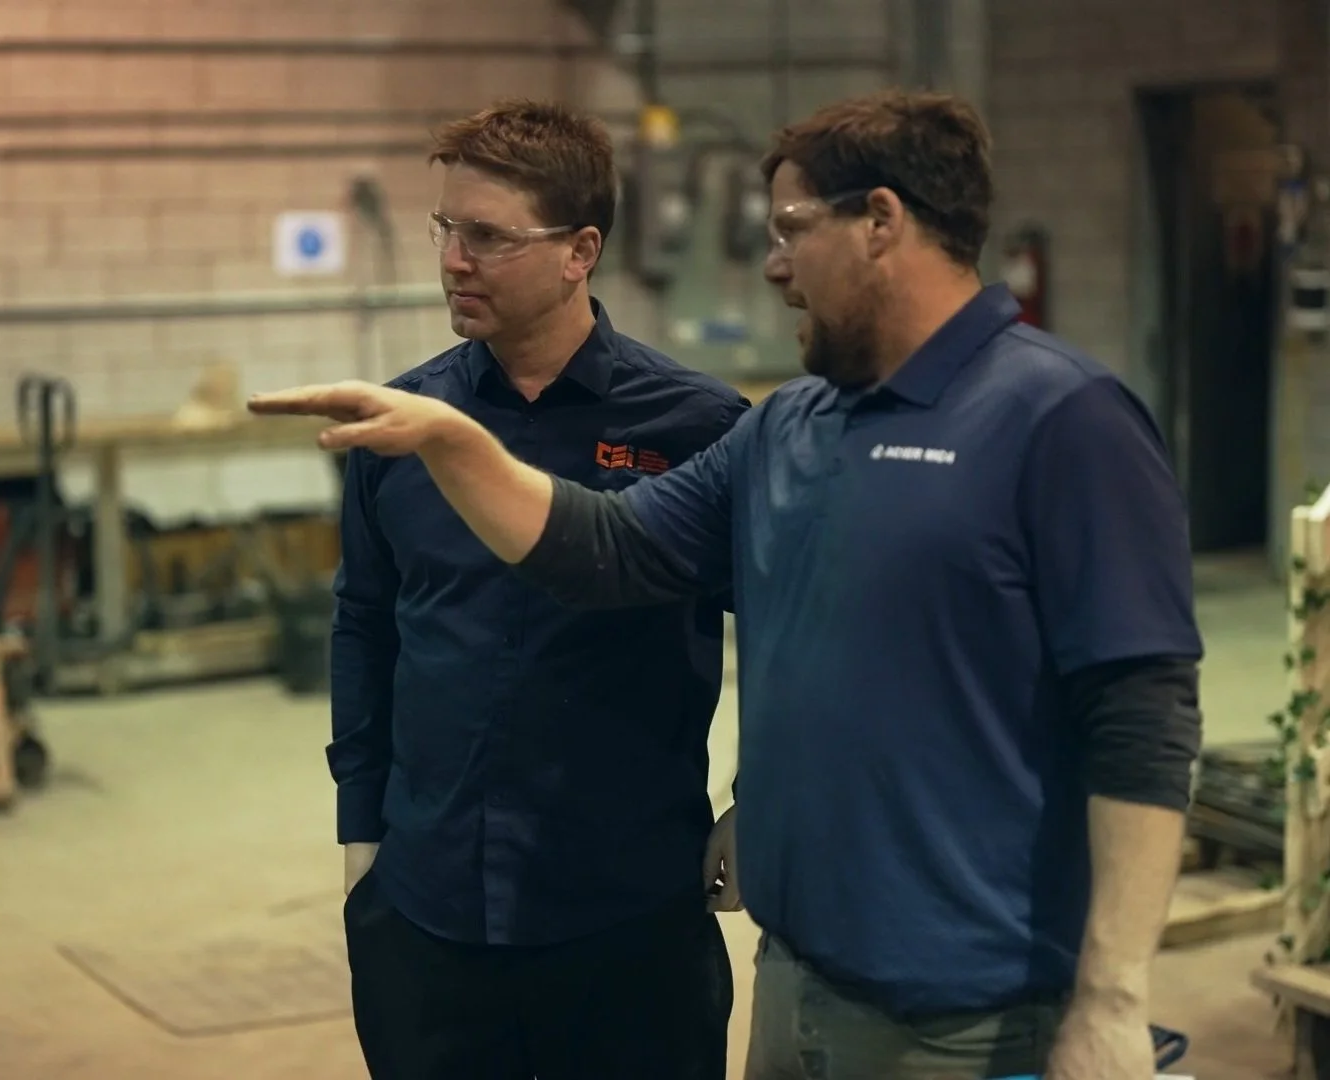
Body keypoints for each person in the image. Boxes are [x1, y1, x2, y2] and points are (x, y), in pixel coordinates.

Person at [251, 90, 1203, 1080]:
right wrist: (452, 440)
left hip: (965, 1007)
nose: (775, 264)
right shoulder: (789, 426)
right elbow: (608, 549)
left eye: (792, 230)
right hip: (796, 980)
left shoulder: (1063, 418)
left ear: (880, 222)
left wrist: (1112, 998)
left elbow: (1142, 717)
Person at [316, 99, 746, 1080]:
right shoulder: (405, 423)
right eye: (446, 230)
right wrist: (361, 830)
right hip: (428, 913)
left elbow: (792, 630)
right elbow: (365, 625)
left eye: (488, 238)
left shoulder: (698, 427)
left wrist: (761, 796)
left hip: (629, 912)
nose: (453, 260)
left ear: (579, 251)